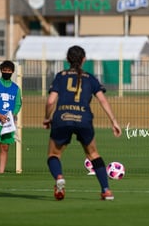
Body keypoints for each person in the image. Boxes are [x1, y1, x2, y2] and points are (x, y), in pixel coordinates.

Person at [43, 45, 121, 201]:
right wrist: (114, 121)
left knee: (54, 154)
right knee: (93, 154)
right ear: (84, 59)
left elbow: (51, 101)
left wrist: (47, 117)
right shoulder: (90, 78)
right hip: (83, 119)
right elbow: (103, 100)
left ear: (67, 60)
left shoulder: (61, 76)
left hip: (62, 118)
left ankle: (59, 178)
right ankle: (106, 190)